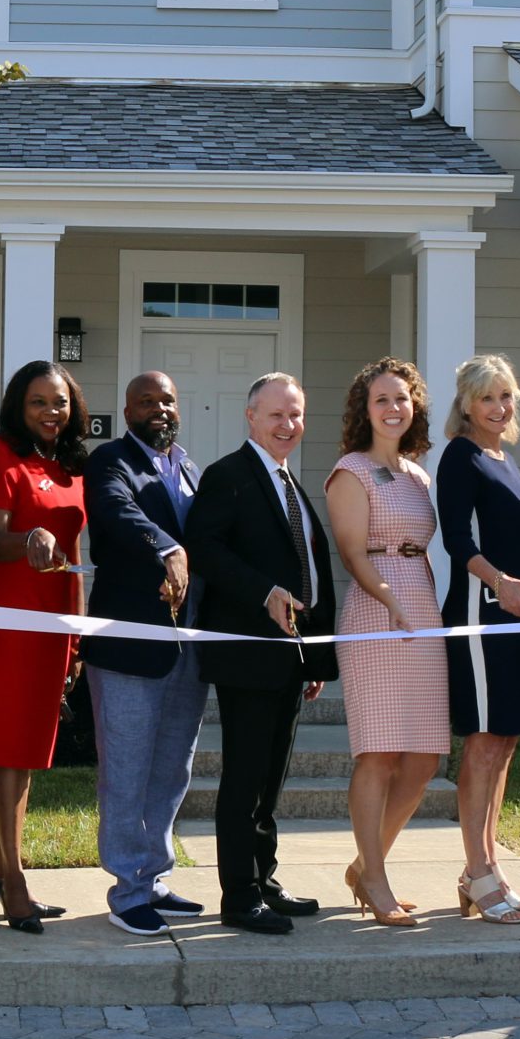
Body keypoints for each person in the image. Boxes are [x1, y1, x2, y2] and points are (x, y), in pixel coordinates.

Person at [183, 373, 338, 936]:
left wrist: (316, 659)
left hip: (291, 659)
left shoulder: (290, 483)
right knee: (244, 779)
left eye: (295, 415)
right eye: (276, 415)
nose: (288, 425)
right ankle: (238, 896)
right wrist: (262, 593)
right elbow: (204, 549)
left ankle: (263, 879)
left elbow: (311, 573)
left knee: (270, 780)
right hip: (247, 656)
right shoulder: (228, 476)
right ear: (251, 417)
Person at [0, 360, 89, 935]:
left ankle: (4, 867)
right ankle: (13, 881)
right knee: (8, 748)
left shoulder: (71, 466)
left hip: (54, 618)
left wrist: (77, 632)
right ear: (18, 405)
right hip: (5, 618)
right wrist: (30, 535)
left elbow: (76, 551)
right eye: (38, 402)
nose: (50, 413)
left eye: (59, 402)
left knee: (30, 748)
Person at [83, 371, 208, 936]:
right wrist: (168, 546)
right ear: (127, 408)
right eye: (147, 400)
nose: (159, 408)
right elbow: (117, 511)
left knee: (172, 768)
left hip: (188, 647)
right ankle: (127, 889)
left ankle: (154, 876)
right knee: (127, 770)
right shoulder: (110, 461)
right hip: (130, 645)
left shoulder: (188, 467)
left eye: (168, 399)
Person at [327, 358, 450, 929]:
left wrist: (419, 607)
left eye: (402, 399)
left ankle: (363, 865)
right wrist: (390, 601)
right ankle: (375, 879)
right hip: (375, 611)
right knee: (378, 751)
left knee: (424, 755)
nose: (393, 408)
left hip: (421, 608)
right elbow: (352, 553)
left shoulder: (418, 475)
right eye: (381, 400)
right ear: (364, 409)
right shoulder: (349, 471)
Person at [435, 355, 520, 925]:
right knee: (482, 743)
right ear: (466, 406)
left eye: (506, 397)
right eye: (487, 399)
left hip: (515, 615)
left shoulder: (505, 457)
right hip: (481, 614)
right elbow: (456, 539)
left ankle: (485, 868)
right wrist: (499, 583)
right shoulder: (460, 456)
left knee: (505, 742)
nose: (499, 408)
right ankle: (478, 871)